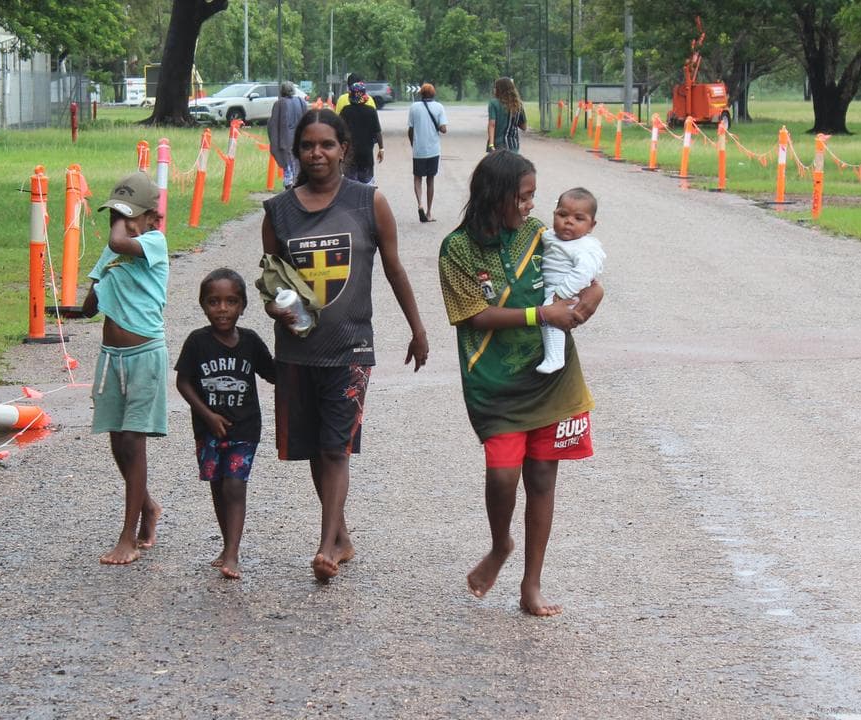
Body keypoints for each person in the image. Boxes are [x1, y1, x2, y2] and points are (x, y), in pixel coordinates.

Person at [261, 109, 429, 581]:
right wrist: (275, 307)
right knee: (316, 448)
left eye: (327, 144)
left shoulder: (367, 203)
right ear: (297, 151)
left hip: (350, 348)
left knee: (336, 448)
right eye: (308, 145)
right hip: (296, 350)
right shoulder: (278, 211)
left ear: (343, 149)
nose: (318, 153)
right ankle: (343, 535)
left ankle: (325, 546)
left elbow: (394, 268)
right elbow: (273, 281)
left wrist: (418, 329)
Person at [437, 150, 604, 616]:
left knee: (544, 477)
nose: (533, 206)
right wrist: (540, 313)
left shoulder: (538, 236)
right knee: (502, 475)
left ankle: (531, 586)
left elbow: (583, 268)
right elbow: (474, 314)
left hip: (552, 378)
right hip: (494, 383)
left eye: (534, 196)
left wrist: (595, 293)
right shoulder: (457, 250)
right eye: (526, 197)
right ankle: (499, 544)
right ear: (498, 197)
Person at [81, 171, 168, 566]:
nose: (120, 222)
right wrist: (93, 294)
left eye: (129, 214)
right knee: (118, 444)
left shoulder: (154, 242)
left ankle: (128, 536)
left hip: (144, 356)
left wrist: (122, 224)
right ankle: (148, 507)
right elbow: (91, 300)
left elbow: (119, 240)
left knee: (134, 443)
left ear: (153, 217)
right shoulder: (114, 249)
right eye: (115, 213)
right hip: (111, 359)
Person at [174, 268, 276, 579]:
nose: (222, 309)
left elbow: (274, 374)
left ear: (243, 306)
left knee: (235, 485)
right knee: (218, 486)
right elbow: (183, 383)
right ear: (203, 305)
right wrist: (207, 415)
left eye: (231, 302)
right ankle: (226, 544)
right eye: (214, 302)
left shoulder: (250, 342)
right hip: (208, 431)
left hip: (244, 430)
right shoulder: (197, 342)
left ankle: (233, 553)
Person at [537, 188, 605, 374]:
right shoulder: (548, 235)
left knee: (549, 316)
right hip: (552, 288)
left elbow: (584, 273)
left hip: (567, 292)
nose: (568, 221)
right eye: (562, 215)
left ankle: (555, 357)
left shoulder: (585, 246)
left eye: (579, 218)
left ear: (591, 225)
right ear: (554, 215)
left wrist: (562, 293)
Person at [407, 82, 448, 223]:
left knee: (417, 178)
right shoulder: (439, 107)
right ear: (433, 93)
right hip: (433, 149)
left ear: (421, 94)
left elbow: (410, 129)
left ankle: (420, 204)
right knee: (430, 180)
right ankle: (429, 212)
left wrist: (413, 145)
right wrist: (440, 126)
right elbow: (443, 129)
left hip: (419, 149)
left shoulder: (414, 107)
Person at [339, 82, 383, 185]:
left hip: (350, 154)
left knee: (350, 183)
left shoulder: (345, 111)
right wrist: (381, 148)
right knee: (366, 184)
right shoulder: (371, 111)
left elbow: (339, 129)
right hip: (366, 153)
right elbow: (377, 131)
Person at [267, 81, 309, 189]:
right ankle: (298, 186)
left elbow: (273, 124)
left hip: (285, 141)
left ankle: (290, 188)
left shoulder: (279, 104)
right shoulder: (301, 102)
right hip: (301, 140)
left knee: (288, 167)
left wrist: (274, 140)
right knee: (297, 165)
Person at [487, 77, 528, 153]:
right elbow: (524, 127)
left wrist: (491, 144)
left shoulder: (494, 103)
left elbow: (492, 124)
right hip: (513, 145)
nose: (494, 90)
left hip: (498, 145)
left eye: (495, 87)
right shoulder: (518, 104)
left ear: (500, 89)